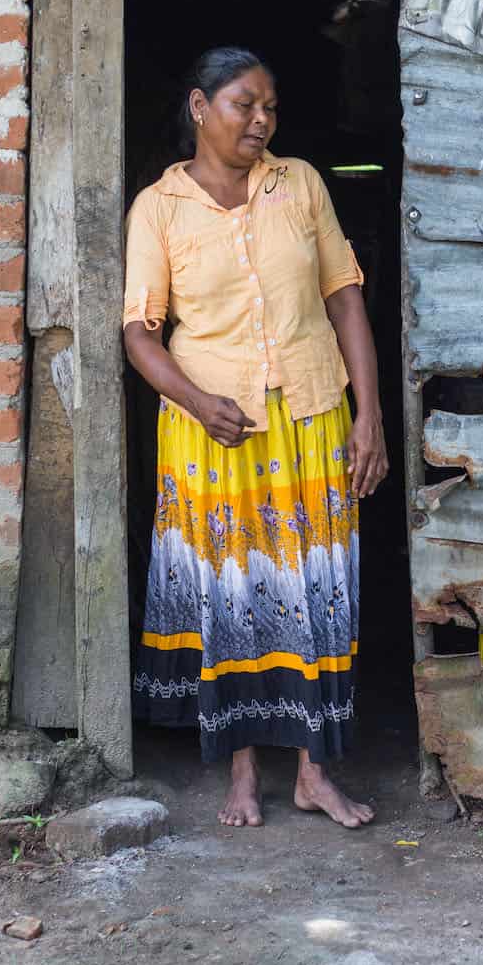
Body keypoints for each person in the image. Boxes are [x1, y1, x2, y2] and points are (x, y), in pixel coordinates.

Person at [122, 47, 385, 830]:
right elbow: (140, 332)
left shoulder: (298, 184)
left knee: (315, 594)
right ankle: (239, 771)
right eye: (245, 104)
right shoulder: (159, 207)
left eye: (270, 107)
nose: (262, 121)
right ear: (201, 108)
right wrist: (199, 402)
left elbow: (344, 300)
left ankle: (314, 772)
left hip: (310, 419)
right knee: (229, 596)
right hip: (217, 434)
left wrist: (368, 414)